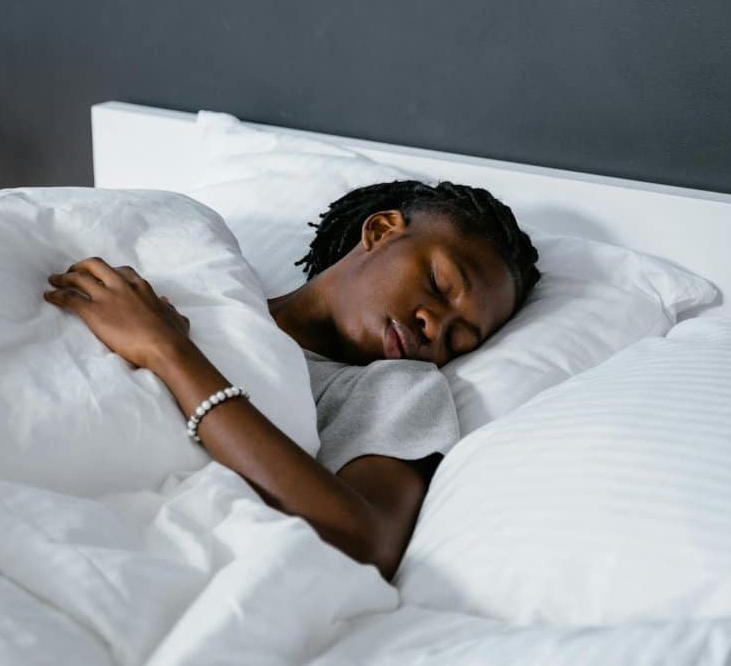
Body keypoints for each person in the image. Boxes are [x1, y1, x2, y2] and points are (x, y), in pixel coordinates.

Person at [44, 180, 540, 581]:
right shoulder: (212, 283)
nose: (436, 327)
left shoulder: (395, 388)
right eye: (439, 284)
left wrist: (170, 353)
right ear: (383, 230)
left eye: (459, 339)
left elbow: (368, 541)